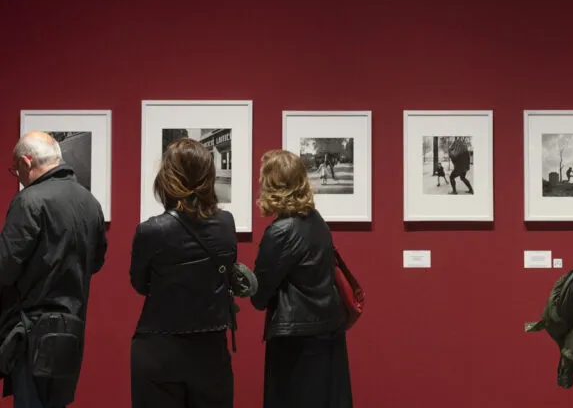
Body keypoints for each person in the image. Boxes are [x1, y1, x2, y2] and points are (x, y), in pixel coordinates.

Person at [0, 131, 107, 407]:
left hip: (30, 333)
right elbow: (96, 262)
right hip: (72, 330)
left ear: (26, 162)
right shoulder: (90, 203)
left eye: (16, 170)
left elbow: (4, 269)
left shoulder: (29, 201)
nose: (18, 177)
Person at [129, 138, 237, 408]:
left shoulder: (150, 230)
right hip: (211, 348)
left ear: (167, 178)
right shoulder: (226, 223)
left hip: (159, 348)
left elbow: (140, 284)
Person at [251, 149, 353, 408]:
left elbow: (259, 295)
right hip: (329, 328)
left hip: (296, 340)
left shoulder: (280, 230)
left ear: (273, 185)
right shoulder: (317, 221)